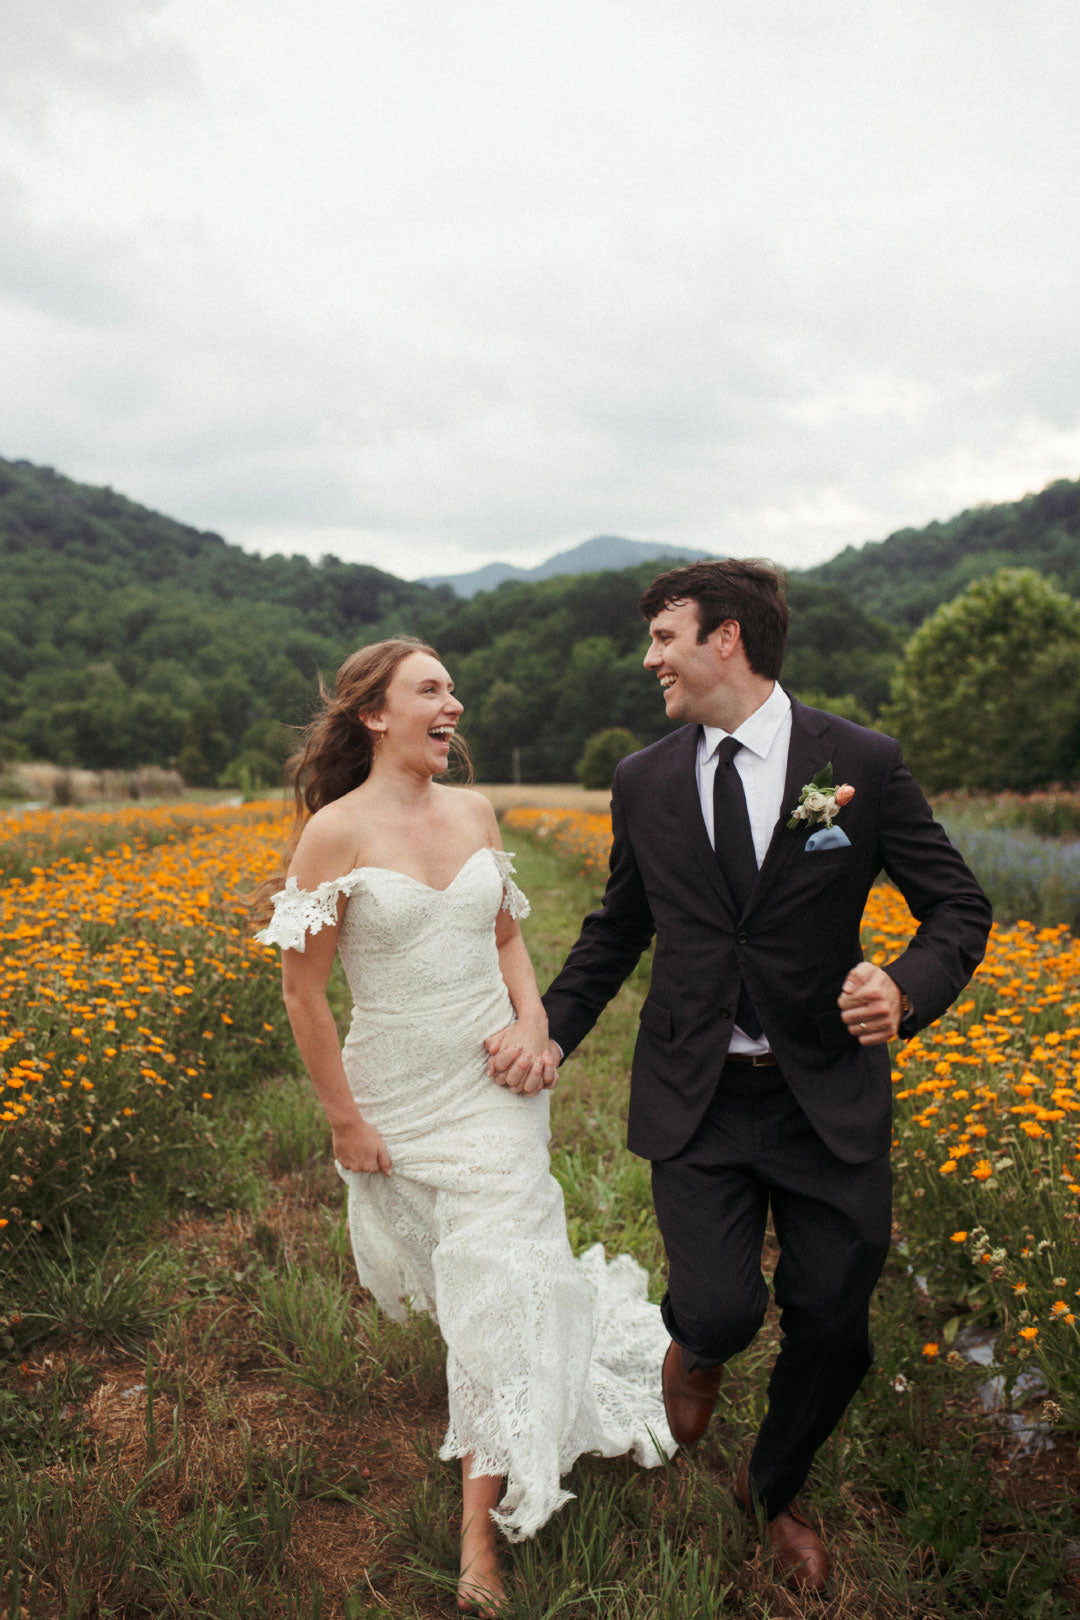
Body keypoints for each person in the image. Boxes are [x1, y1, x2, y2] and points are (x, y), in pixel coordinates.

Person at [488, 560, 992, 1592]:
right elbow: (617, 929)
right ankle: (695, 1347)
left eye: (664, 635)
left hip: (827, 1096)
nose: (649, 658)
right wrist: (550, 1033)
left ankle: (776, 1489)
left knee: (835, 1322)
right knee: (720, 1309)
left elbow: (959, 910)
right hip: (699, 1092)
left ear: (727, 639)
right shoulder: (646, 778)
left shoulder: (860, 762)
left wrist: (904, 990)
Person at [254, 637, 675, 1617]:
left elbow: (508, 936)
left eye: (454, 690)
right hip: (396, 1095)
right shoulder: (333, 834)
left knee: (499, 1281)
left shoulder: (476, 811)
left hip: (496, 1087)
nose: (455, 704)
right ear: (375, 715)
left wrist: (534, 1021)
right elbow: (303, 993)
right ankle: (516, 1391)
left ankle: (478, 1534)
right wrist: (343, 1120)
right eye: (431, 690)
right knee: (473, 1287)